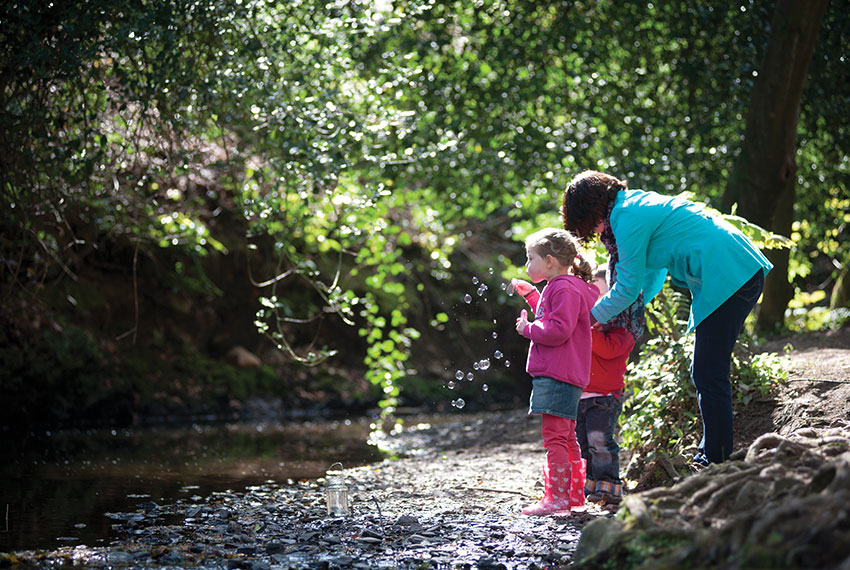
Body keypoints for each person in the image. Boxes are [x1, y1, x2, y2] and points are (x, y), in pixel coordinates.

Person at [561, 170, 773, 465]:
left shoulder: (627, 217)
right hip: (730, 271)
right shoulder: (632, 207)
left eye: (590, 225)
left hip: (728, 272)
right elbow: (651, 277)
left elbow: (627, 286)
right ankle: (712, 453)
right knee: (708, 371)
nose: (596, 233)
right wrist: (613, 316)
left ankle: (715, 458)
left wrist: (588, 317)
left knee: (709, 373)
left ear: (593, 208)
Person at [511, 228, 598, 516]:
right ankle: (573, 496)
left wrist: (528, 330)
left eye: (530, 258)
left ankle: (556, 498)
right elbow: (554, 316)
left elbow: (557, 330)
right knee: (567, 435)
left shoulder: (562, 288)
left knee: (554, 437)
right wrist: (532, 295)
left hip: (557, 373)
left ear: (549, 261)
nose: (527, 266)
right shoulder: (565, 287)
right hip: (566, 373)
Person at [578, 264, 635, 505]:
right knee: (582, 442)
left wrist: (587, 329)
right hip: (580, 394)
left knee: (600, 442)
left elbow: (610, 350)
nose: (598, 302)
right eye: (594, 295)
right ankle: (589, 482)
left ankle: (608, 486)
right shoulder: (587, 327)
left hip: (605, 396)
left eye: (604, 296)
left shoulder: (623, 331)